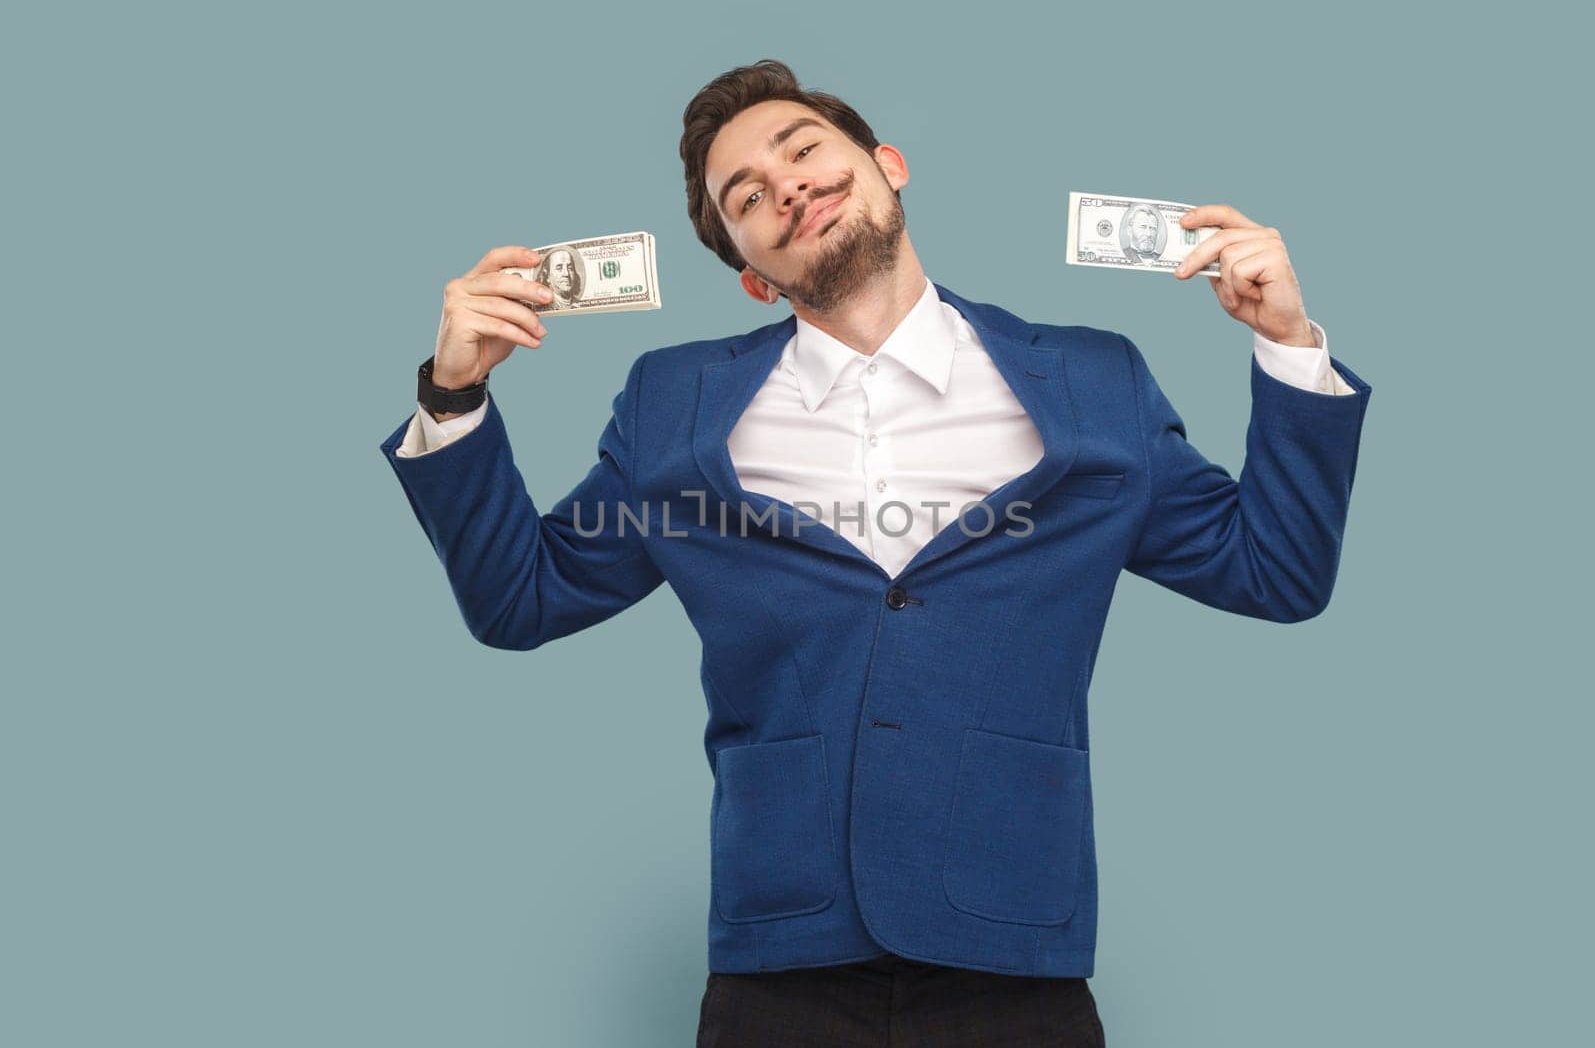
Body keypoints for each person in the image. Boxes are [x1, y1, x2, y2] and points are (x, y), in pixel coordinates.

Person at [379, 60, 1371, 1046]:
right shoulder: (670, 405)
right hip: (783, 965)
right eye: (748, 197)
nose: (787, 187)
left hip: (1014, 948)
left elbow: (1274, 569)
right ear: (750, 269)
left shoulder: (1091, 379)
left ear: (888, 166)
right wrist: (455, 396)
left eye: (802, 150)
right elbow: (523, 596)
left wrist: (1285, 340)